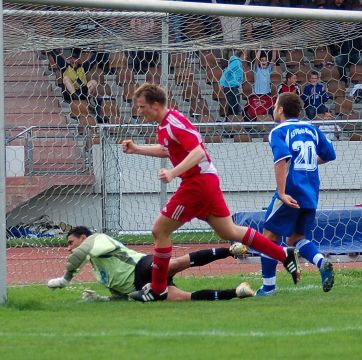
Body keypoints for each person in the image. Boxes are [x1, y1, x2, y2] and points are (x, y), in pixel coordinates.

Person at [122, 84, 299, 302]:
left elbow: (198, 152)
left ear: (156, 105)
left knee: (159, 230)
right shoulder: (165, 125)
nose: (139, 111)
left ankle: (158, 290)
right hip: (205, 181)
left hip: (196, 184)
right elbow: (167, 150)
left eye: (142, 107)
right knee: (229, 231)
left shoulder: (173, 123)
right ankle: (283, 254)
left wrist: (172, 173)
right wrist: (137, 149)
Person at [257, 92, 336, 296]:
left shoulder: (278, 131)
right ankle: (321, 262)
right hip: (310, 193)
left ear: (281, 109)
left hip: (291, 192)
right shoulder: (312, 129)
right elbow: (329, 154)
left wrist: (282, 193)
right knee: (296, 239)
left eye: (275, 105)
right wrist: (309, 162)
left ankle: (268, 288)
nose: (273, 109)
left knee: (268, 238)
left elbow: (281, 160)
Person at [46, 226, 255, 301]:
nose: (69, 248)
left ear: (83, 237)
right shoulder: (97, 269)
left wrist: (65, 280)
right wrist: (102, 299)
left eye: (70, 242)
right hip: (141, 287)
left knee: (176, 263)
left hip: (141, 266)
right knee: (184, 298)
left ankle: (230, 250)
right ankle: (237, 292)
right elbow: (122, 296)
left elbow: (78, 256)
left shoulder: (96, 239)